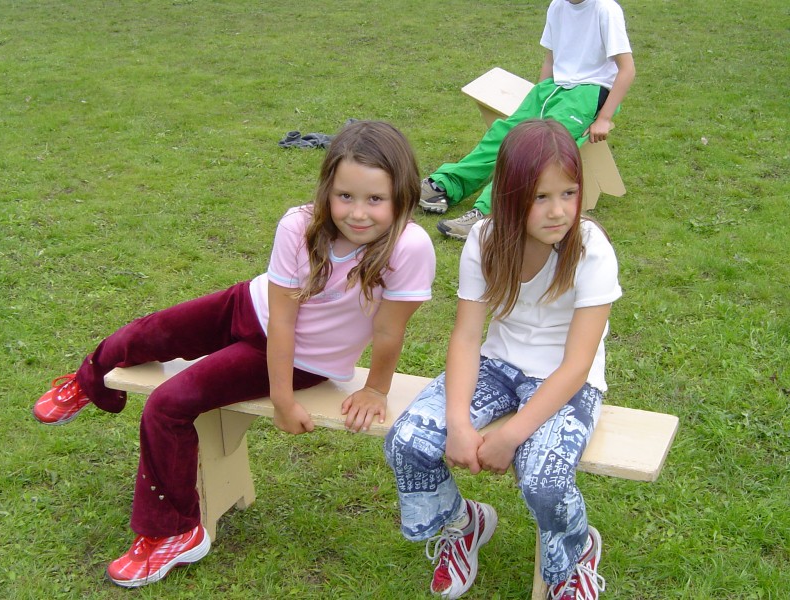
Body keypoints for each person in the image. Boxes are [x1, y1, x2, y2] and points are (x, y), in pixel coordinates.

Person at [32, 120, 436, 588]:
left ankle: (175, 532)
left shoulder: (410, 247)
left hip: (302, 360)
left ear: (402, 196)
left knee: (168, 404)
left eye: (375, 199)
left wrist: (372, 390)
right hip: (249, 306)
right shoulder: (300, 224)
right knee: (146, 333)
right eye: (345, 196)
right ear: (328, 189)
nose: (358, 213)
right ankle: (88, 383)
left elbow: (388, 331)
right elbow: (281, 316)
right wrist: (282, 400)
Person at [385, 119, 622, 599]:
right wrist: (458, 423)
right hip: (498, 364)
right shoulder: (485, 240)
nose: (558, 211)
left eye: (569, 193)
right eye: (540, 197)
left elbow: (577, 365)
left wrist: (511, 436)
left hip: (565, 378)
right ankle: (463, 523)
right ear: (510, 195)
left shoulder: (590, 248)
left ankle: (575, 555)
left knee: (543, 480)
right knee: (407, 440)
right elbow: (467, 337)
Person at [420, 0, 635, 241]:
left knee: (536, 149)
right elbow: (551, 60)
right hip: (551, 89)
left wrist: (604, 118)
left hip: (587, 94)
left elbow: (627, 69)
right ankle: (444, 185)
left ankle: (489, 214)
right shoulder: (557, 6)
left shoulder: (605, 9)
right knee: (504, 134)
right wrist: (538, 94)